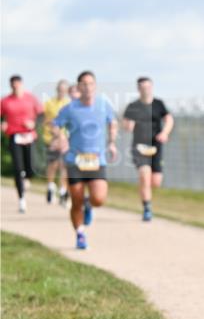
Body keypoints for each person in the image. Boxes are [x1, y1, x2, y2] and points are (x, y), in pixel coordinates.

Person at [52, 71, 118, 249]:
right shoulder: (70, 108)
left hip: (97, 160)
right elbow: (55, 125)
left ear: (95, 86)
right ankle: (80, 234)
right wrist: (61, 138)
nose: (87, 87)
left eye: (90, 84)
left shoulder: (104, 105)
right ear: (79, 87)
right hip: (75, 160)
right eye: (84, 84)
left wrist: (112, 142)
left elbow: (112, 122)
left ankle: (90, 205)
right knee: (76, 199)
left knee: (99, 199)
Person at [122, 77, 173, 221]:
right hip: (139, 146)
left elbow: (169, 119)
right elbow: (125, 124)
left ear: (152, 88)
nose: (145, 90)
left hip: (156, 146)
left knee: (155, 181)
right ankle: (147, 208)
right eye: (142, 87)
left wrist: (165, 133)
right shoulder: (133, 106)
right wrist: (129, 125)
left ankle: (145, 190)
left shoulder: (158, 104)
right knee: (145, 174)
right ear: (138, 89)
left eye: (148, 87)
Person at [1, 75, 44, 213]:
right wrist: (3, 123)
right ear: (10, 86)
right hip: (15, 136)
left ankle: (27, 176)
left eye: (17, 85)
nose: (15, 87)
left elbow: (42, 115)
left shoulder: (31, 99)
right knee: (18, 169)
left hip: (29, 135)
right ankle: (21, 200)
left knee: (30, 168)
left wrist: (34, 124)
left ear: (21, 84)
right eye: (13, 86)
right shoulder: (5, 101)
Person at [42, 80, 72, 205]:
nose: (62, 92)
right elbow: (46, 121)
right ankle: (50, 186)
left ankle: (63, 189)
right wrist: (54, 131)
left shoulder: (69, 104)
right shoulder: (49, 103)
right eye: (60, 90)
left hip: (65, 140)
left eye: (64, 90)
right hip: (52, 138)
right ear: (57, 90)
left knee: (64, 166)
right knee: (53, 164)